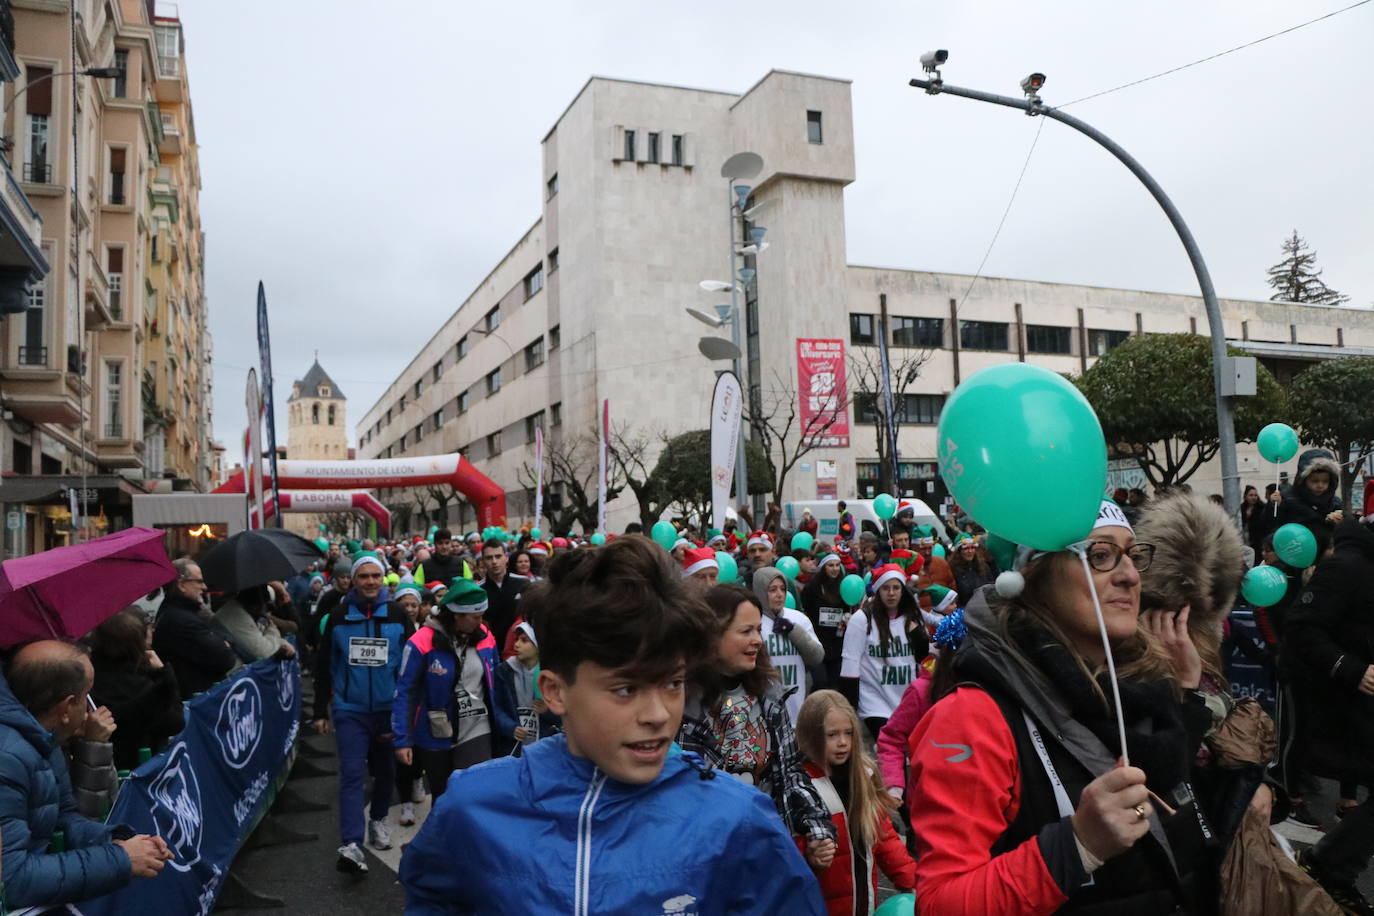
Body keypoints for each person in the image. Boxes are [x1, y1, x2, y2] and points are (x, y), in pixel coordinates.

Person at [400, 536, 825, 913]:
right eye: (626, 689)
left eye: (672, 683)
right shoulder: (473, 809)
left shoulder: (738, 821)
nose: (658, 714)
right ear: (555, 691)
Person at [907, 500, 1218, 914]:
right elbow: (941, 905)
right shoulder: (971, 719)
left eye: (1133, 555)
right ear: (1036, 578)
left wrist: (1189, 699)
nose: (1129, 576)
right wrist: (1077, 845)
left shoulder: (1147, 690)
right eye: (1100, 555)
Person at [0, 641, 172, 906]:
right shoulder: (8, 759)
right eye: (86, 695)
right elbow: (11, 881)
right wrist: (121, 859)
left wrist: (112, 839)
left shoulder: (43, 738)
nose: (92, 709)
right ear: (67, 707)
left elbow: (63, 816)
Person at [678, 584, 838, 858]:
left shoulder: (769, 694)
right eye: (745, 631)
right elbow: (685, 798)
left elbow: (790, 772)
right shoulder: (681, 705)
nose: (758, 640)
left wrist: (816, 828)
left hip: (769, 853)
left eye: (757, 630)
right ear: (712, 635)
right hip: (709, 858)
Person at [1286, 515, 1374, 911]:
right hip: (1347, 702)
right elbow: (1301, 628)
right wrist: (1351, 669)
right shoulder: (1347, 565)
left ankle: (1330, 866)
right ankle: (1329, 867)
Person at [312, 553, 411, 873]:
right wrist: (319, 710)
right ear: (352, 580)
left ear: (384, 579)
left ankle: (378, 820)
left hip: (387, 710)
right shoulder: (339, 615)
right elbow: (324, 665)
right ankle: (351, 843)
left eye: (376, 576)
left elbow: (410, 666)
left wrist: (409, 708)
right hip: (350, 710)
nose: (370, 581)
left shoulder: (397, 614)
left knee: (386, 773)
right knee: (352, 775)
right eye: (363, 576)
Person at [795, 690, 916, 915]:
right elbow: (786, 853)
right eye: (832, 735)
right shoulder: (800, 787)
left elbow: (884, 838)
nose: (842, 743)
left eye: (848, 733)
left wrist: (912, 881)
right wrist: (810, 857)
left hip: (864, 906)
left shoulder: (863, 776)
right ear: (811, 735)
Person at [393, 578, 502, 818]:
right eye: (475, 617)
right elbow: (405, 691)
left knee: (472, 793)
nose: (481, 622)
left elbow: (497, 682)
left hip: (476, 727)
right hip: (435, 731)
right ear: (456, 615)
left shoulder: (485, 636)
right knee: (443, 798)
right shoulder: (421, 641)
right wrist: (403, 739)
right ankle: (440, 849)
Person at [88, 610, 185, 770]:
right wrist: (164, 674)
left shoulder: (91, 678)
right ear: (138, 642)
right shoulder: (144, 684)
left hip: (108, 766)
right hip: (141, 769)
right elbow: (175, 722)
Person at [839, 564, 927, 739]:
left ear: (903, 591)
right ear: (878, 591)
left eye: (896, 588)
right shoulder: (862, 619)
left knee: (904, 755)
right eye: (886, 588)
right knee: (889, 749)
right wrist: (849, 710)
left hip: (905, 698)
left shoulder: (912, 617)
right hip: (874, 701)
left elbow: (923, 658)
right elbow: (850, 663)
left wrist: (917, 634)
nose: (891, 593)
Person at [152, 558, 240, 699]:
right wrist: (224, 643)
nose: (204, 587)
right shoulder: (181, 620)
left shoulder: (181, 613)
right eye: (199, 581)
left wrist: (223, 641)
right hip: (194, 699)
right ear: (181, 585)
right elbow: (225, 659)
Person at [751, 567, 825, 725]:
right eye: (772, 589)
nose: (779, 594)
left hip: (795, 709)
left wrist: (793, 631)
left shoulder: (798, 618)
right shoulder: (751, 621)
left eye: (783, 589)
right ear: (760, 591)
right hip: (761, 713)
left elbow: (817, 657)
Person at [492, 621, 559, 755]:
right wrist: (511, 728)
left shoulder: (552, 674)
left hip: (543, 748)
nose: (516, 644)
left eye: (524, 641)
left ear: (538, 646)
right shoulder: (504, 670)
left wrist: (547, 710)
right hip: (513, 748)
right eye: (516, 639)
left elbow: (564, 713)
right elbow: (496, 707)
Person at [801, 553, 854, 688]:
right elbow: (806, 609)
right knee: (820, 682)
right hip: (817, 642)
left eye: (837, 565)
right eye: (831, 565)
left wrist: (848, 618)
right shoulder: (812, 588)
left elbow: (849, 606)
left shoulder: (844, 586)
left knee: (834, 684)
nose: (835, 569)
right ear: (823, 567)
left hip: (837, 643)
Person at [1277, 449, 1346, 554]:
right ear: (1303, 480)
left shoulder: (1335, 503)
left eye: (1325, 481)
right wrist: (1273, 505)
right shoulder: (1288, 499)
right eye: (1315, 481)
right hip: (1295, 554)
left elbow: (1344, 533)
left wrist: (1339, 523)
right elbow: (1274, 525)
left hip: (1326, 557)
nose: (1320, 485)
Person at [213, 585, 296, 662]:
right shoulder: (235, 615)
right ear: (257, 605)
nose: (264, 611)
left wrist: (282, 643)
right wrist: (272, 630)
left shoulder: (244, 611)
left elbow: (261, 635)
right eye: (264, 606)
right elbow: (262, 653)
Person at [479, 538, 526, 654]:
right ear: (483, 561)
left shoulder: (523, 583)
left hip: (520, 649)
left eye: (498, 556)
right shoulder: (478, 590)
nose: (494, 561)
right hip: (492, 649)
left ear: (506, 558)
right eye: (489, 558)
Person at [909, 526, 956, 615]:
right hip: (922, 621)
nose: (927, 552)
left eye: (930, 548)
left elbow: (953, 590)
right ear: (913, 548)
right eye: (923, 549)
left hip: (945, 621)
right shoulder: (907, 570)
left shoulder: (941, 563)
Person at [948, 532, 1000, 608]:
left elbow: (992, 584)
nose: (970, 551)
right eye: (966, 548)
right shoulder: (953, 570)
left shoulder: (983, 565)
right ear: (958, 551)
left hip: (988, 606)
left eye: (972, 547)